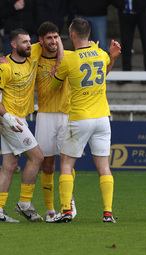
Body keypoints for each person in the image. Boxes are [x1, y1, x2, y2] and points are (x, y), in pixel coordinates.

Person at [50, 18, 121, 223]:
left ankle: (65, 210)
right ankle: (107, 212)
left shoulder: (69, 60)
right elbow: (103, 74)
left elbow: (54, 88)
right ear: (89, 34)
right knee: (104, 167)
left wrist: (56, 73)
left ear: (72, 35)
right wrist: (112, 57)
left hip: (80, 118)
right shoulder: (101, 53)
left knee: (66, 164)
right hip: (102, 118)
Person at [0, 28, 44, 222]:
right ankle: (24, 204)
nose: (29, 45)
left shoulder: (32, 56)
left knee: (9, 166)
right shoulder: (5, 67)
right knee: (37, 157)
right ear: (13, 44)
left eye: (29, 41)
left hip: (20, 118)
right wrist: (7, 117)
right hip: (10, 120)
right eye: (24, 42)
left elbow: (53, 41)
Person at [35, 21, 77, 223]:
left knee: (66, 162)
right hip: (44, 115)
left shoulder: (69, 56)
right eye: (49, 38)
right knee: (47, 164)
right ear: (41, 40)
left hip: (66, 115)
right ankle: (50, 210)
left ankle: (67, 203)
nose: (53, 41)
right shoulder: (34, 57)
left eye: (56, 37)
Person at [112, 0, 146, 85]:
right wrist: (120, 4)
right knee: (125, 44)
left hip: (144, 13)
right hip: (125, 13)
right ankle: (126, 74)